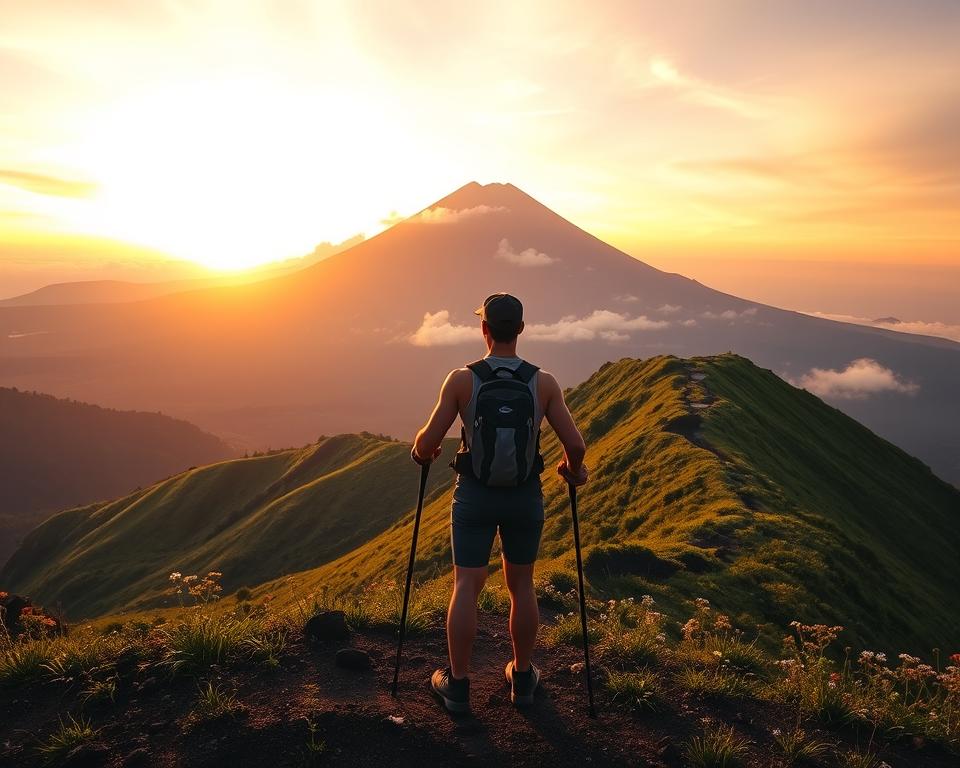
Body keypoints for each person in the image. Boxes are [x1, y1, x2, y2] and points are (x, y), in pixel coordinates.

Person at [411, 292, 588, 714]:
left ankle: (457, 686)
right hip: (524, 497)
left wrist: (424, 454)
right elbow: (575, 444)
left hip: (474, 496)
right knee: (521, 586)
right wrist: (572, 471)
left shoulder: (461, 380)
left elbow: (425, 443)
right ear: (521, 330)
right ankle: (522, 678)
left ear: (483, 328)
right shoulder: (542, 382)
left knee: (466, 586)